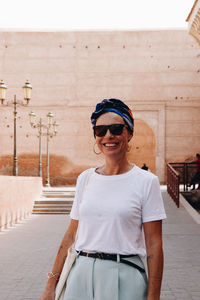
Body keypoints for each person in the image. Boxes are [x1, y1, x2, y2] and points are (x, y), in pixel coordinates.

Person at [39, 98, 166, 300]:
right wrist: (50, 286)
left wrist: (154, 296)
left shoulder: (146, 181)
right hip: (79, 274)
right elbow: (71, 236)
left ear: (129, 133)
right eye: (101, 130)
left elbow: (154, 244)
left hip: (125, 275)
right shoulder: (85, 179)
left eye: (116, 129)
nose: (108, 136)